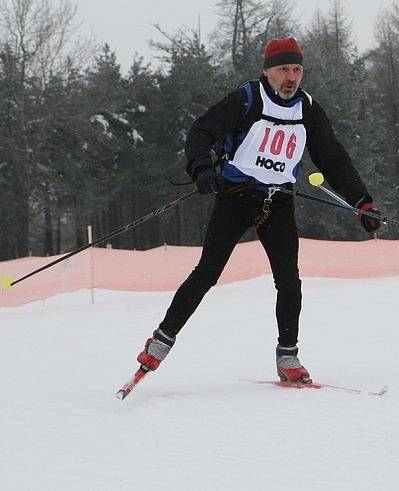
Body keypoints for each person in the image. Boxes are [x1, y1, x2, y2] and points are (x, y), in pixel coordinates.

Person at [135, 37, 381, 384]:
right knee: (207, 272)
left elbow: (333, 157)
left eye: (296, 69)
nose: (290, 76)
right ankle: (159, 343)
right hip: (236, 197)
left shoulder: (308, 109)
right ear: (267, 71)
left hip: (277, 202)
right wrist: (202, 170)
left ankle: (288, 357)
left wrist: (362, 202)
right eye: (283, 69)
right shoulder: (248, 98)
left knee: (290, 282)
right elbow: (201, 132)